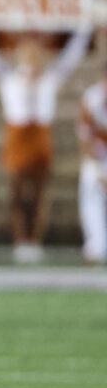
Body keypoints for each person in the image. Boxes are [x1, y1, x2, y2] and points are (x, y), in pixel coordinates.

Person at [0, 17, 91, 263]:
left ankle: (36, 240)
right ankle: (20, 240)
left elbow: (72, 57)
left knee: (40, 192)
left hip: (40, 135)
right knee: (17, 192)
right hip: (17, 134)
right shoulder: (10, 78)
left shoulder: (50, 78)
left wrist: (84, 26)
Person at [76, 64, 107, 265]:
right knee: (90, 188)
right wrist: (97, 168)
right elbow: (84, 134)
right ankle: (97, 245)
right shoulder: (92, 99)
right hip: (98, 155)